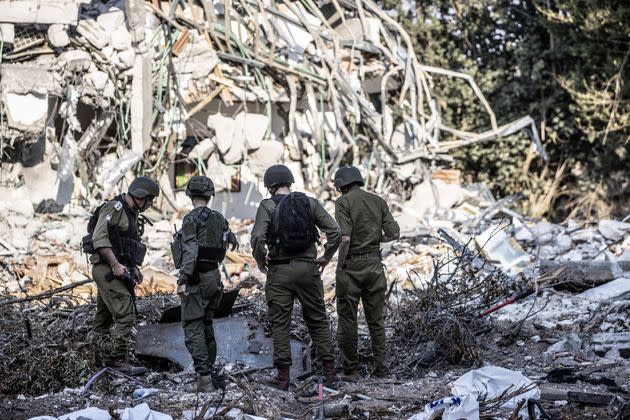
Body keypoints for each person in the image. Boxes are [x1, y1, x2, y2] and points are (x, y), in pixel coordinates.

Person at [250, 164, 341, 391]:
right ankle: (330, 374)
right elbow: (335, 231)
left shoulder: (267, 205)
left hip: (279, 271)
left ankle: (283, 377)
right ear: (289, 182)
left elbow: (257, 239)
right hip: (309, 269)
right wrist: (326, 257)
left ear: (270, 186)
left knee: (281, 324)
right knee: (318, 320)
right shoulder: (309, 203)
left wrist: (262, 263)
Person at [333, 165, 400, 379]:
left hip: (351, 266)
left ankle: (351, 370)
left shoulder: (343, 202)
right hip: (374, 264)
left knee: (348, 321)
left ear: (341, 185)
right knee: (376, 321)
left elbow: (345, 238)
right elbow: (394, 233)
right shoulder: (378, 201)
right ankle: (382, 370)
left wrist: (340, 265)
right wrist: (374, 240)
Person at [90, 176, 159, 375]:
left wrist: (134, 268)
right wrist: (115, 265)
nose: (150, 204)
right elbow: (99, 238)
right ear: (140, 196)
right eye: (149, 199)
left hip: (115, 269)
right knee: (125, 316)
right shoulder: (114, 208)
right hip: (107, 270)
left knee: (103, 318)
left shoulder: (131, 213)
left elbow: (124, 244)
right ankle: (116, 360)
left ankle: (97, 357)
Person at [176, 175, 238, 392]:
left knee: (193, 327)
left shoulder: (191, 219)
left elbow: (191, 251)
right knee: (207, 325)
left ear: (190, 195)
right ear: (210, 196)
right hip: (214, 277)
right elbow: (230, 241)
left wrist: (183, 279)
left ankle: (204, 380)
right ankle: (208, 374)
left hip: (197, 279)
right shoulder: (219, 218)